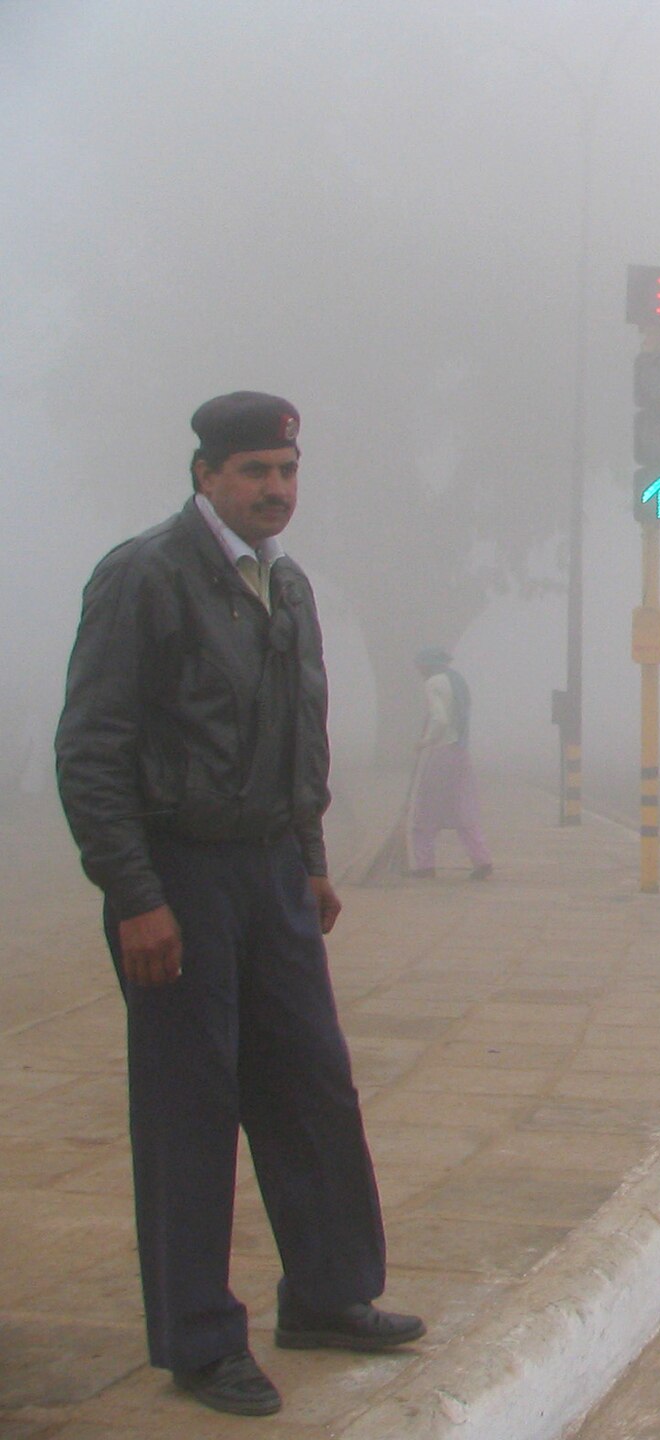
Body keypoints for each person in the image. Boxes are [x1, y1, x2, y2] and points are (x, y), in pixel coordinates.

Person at [55, 392, 422, 1418]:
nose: (276, 490)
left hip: (272, 875)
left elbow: (303, 729)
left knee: (312, 1085)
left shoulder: (287, 585)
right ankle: (200, 1340)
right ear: (206, 475)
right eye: (255, 472)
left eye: (288, 471)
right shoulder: (145, 577)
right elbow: (91, 749)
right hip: (178, 875)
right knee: (190, 1107)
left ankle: (329, 1292)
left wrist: (309, 857)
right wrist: (134, 894)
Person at [408, 644, 493, 880]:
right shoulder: (457, 681)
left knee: (425, 812)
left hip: (441, 752)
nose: (418, 670)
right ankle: (482, 860)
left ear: (426, 664)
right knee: (464, 809)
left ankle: (424, 866)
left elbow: (440, 719)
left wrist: (425, 742)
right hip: (460, 752)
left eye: (419, 665)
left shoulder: (433, 683)